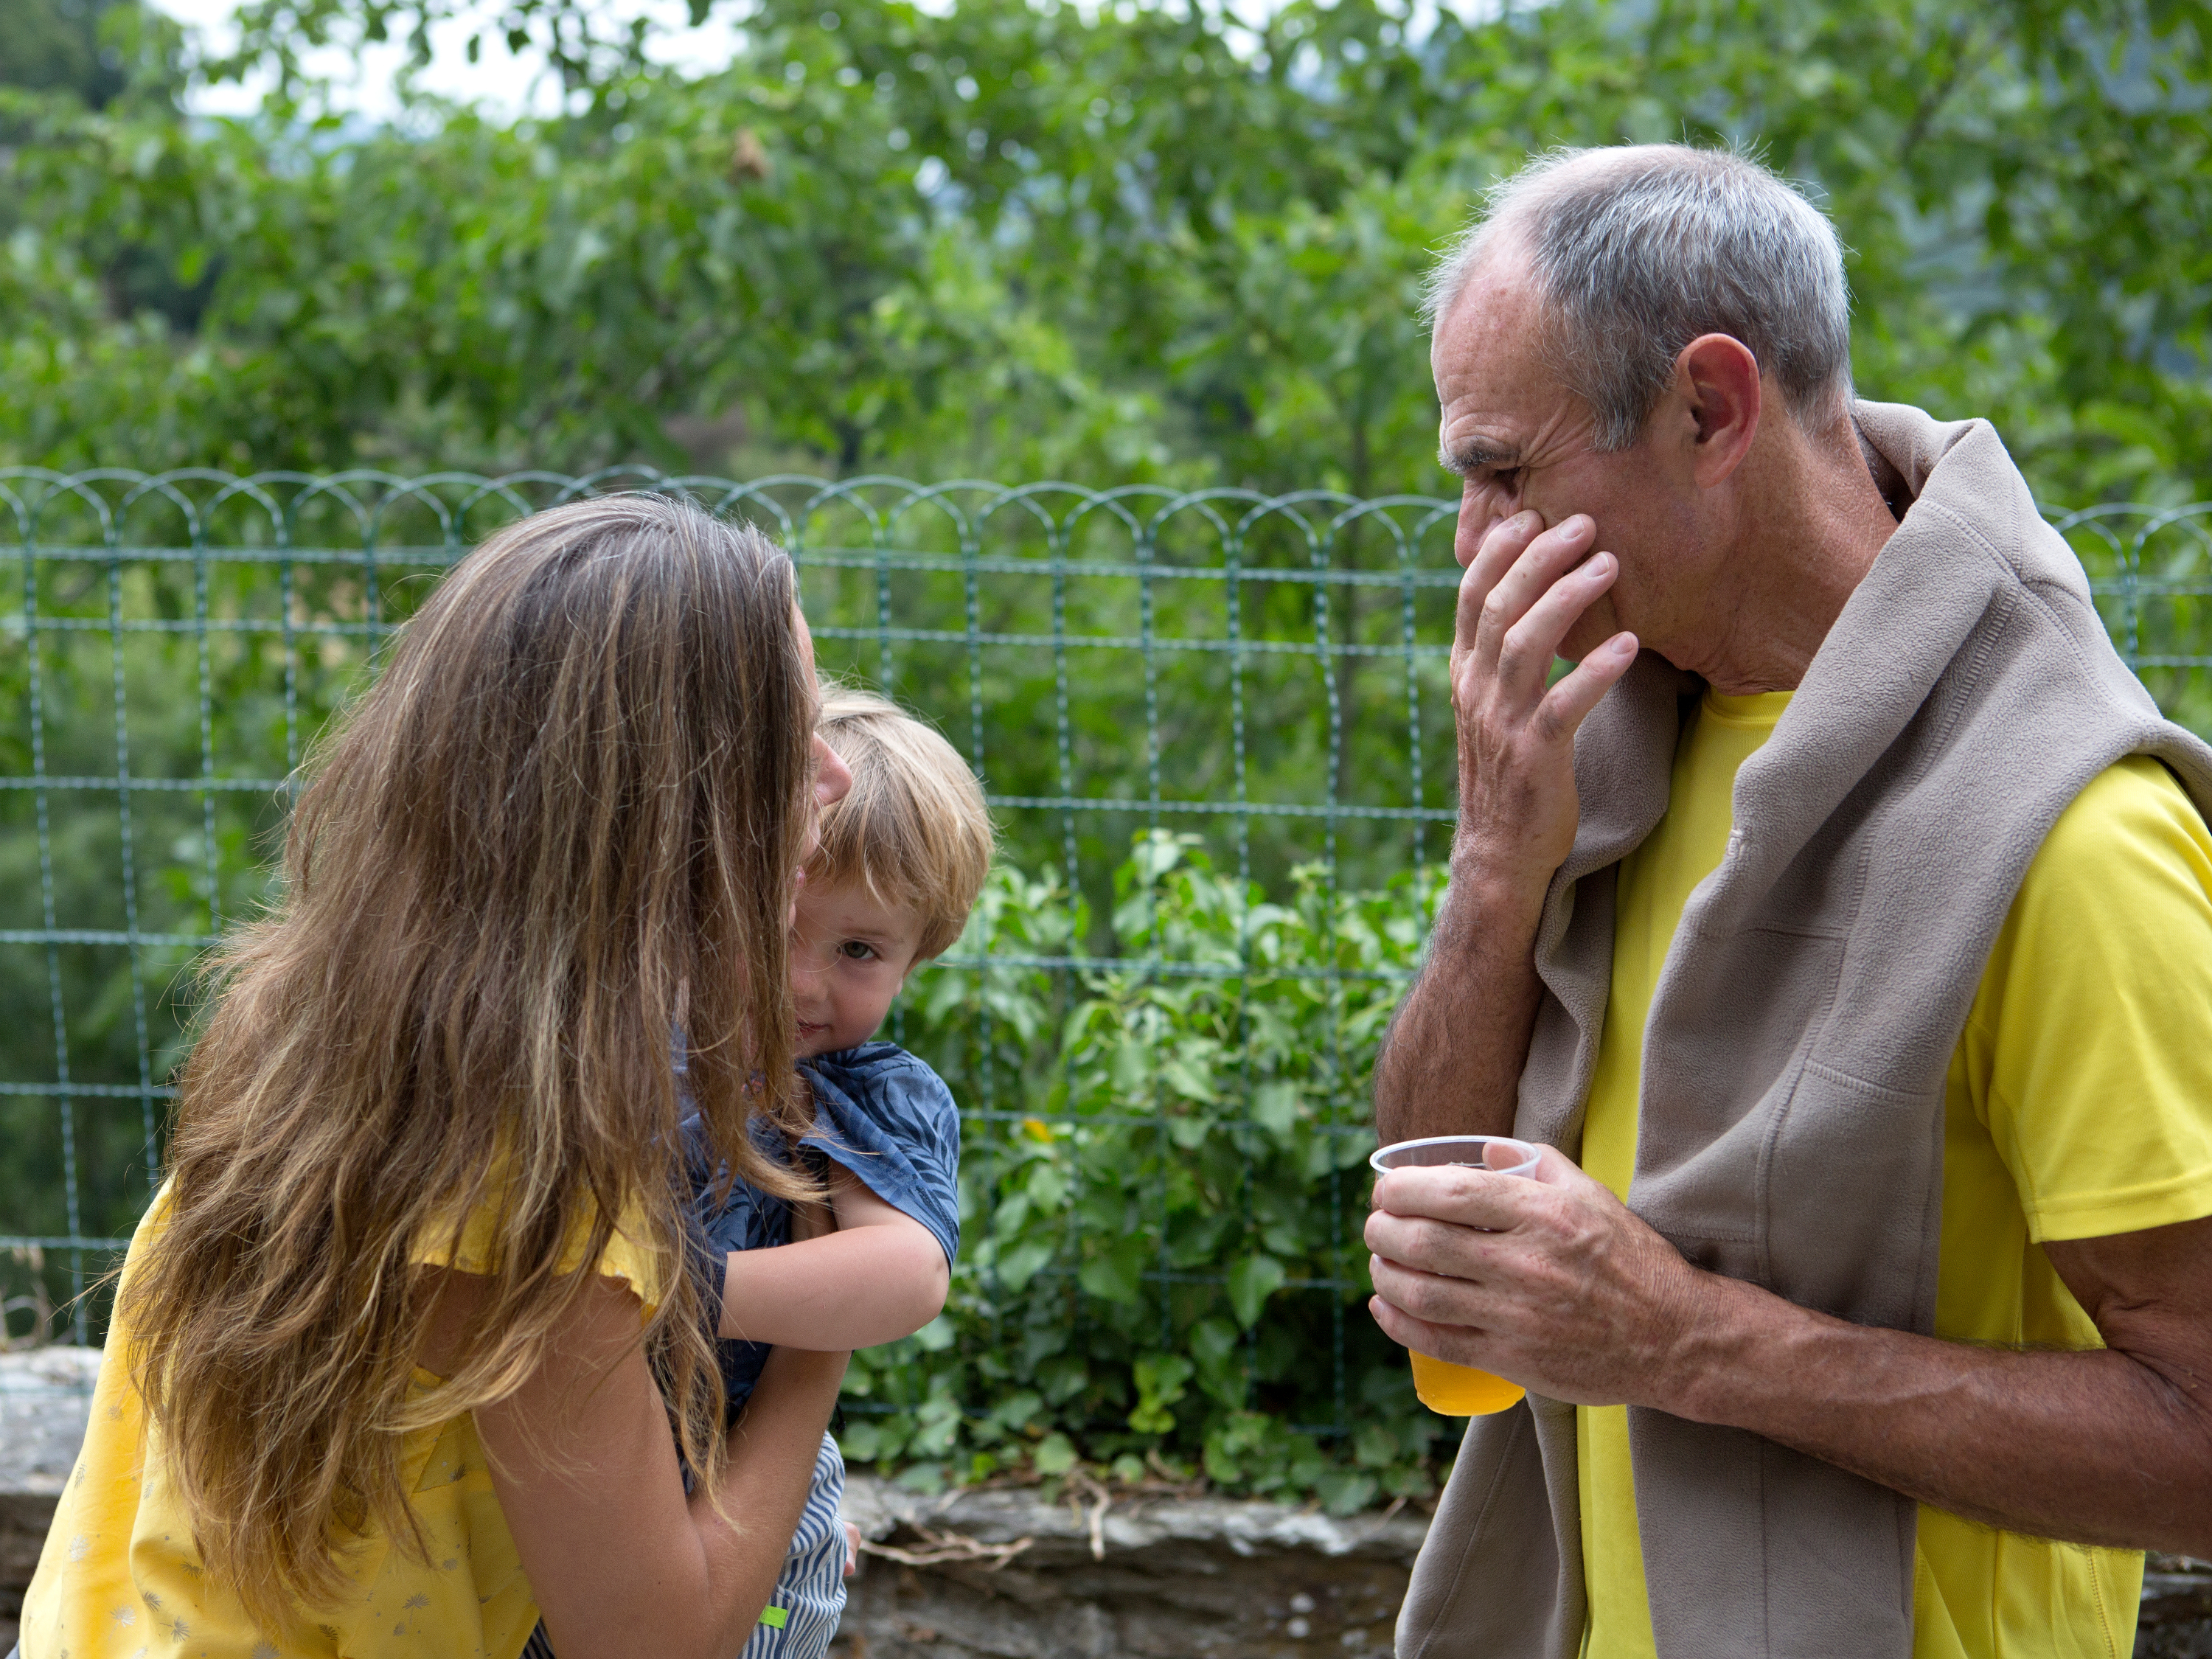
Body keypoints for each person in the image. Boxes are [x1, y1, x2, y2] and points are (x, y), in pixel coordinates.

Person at [1365, 145, 2212, 1659]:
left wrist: (1684, 1344)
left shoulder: (2075, 842)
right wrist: (1496, 865)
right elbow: (1434, 1254)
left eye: (1505, 470)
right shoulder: (1609, 738)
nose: (1474, 541)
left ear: (1711, 408)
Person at [15, 494, 860, 1659]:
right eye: (793, 737)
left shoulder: (318, 1030)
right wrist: (826, 1339)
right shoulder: (538, 1189)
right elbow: (659, 1644)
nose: (835, 778)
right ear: (674, 801)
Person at [608, 686, 992, 1659]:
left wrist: (680, 1289)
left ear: (921, 955)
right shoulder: (633, 1041)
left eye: (860, 949)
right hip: (592, 1477)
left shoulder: (864, 1092)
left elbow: (905, 1272)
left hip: (763, 1523)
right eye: (779, 930)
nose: (804, 983)